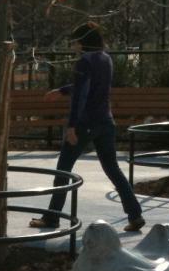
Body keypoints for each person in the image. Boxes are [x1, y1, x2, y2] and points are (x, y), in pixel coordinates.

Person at [30, 21, 144, 233]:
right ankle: (135, 215)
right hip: (106, 122)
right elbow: (87, 87)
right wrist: (62, 90)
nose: (73, 46)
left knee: (63, 169)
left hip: (85, 123)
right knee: (113, 169)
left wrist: (72, 126)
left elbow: (82, 95)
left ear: (82, 42)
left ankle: (52, 218)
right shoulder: (106, 59)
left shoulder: (84, 62)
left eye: (75, 42)